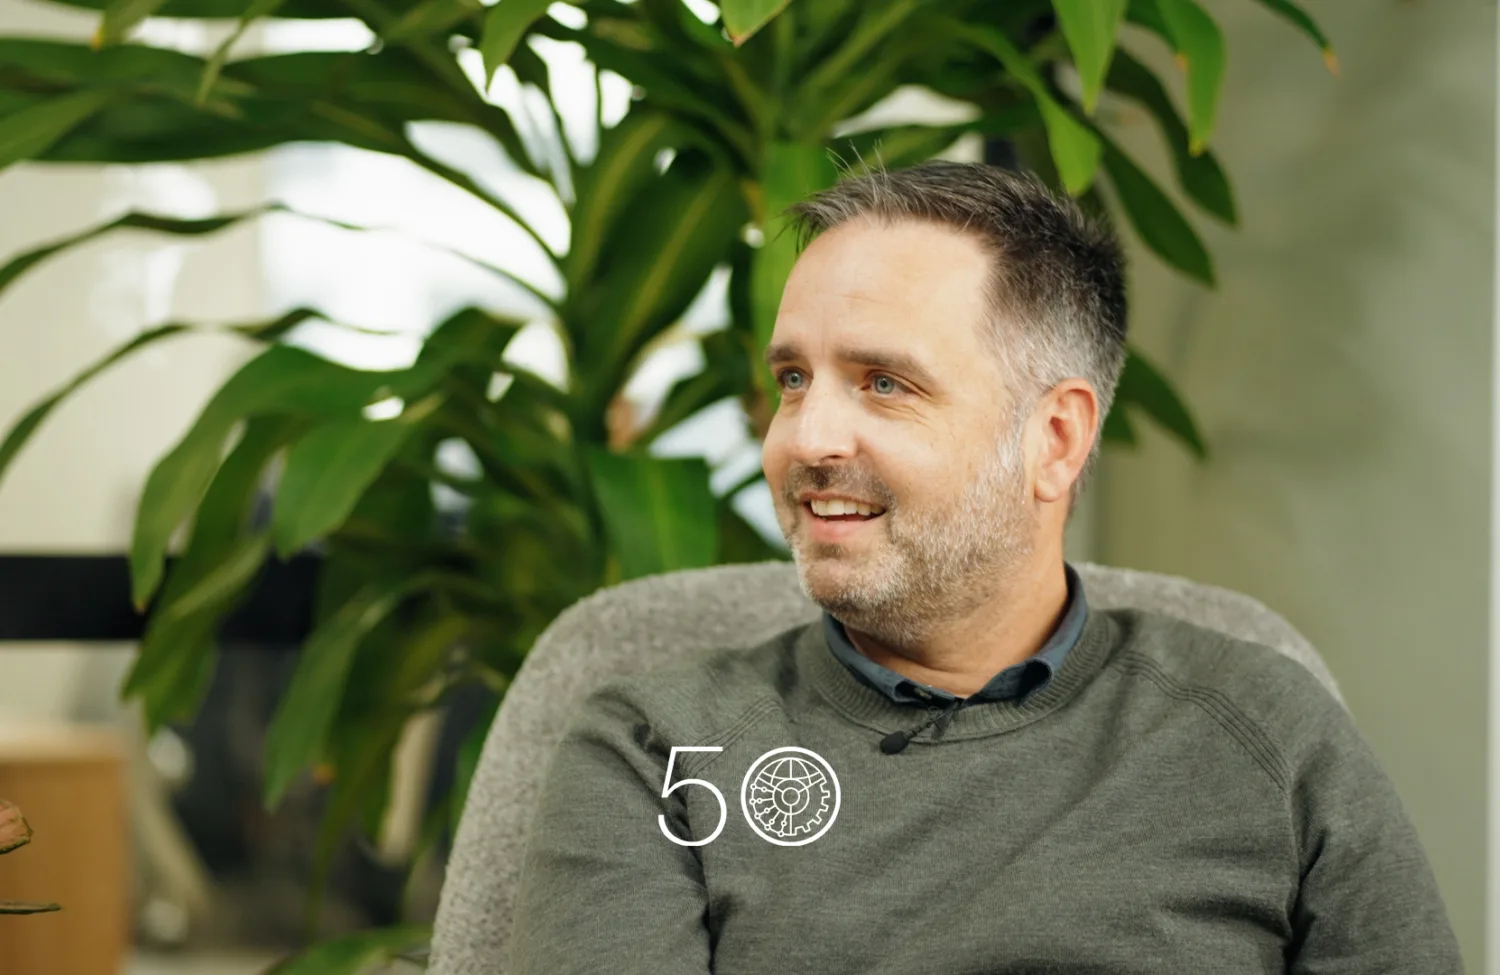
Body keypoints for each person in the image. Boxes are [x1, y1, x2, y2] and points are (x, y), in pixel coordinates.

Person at [505, 160, 1463, 973]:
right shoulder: (656, 751)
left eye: (885, 382)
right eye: (793, 379)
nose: (806, 436)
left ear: (1055, 438)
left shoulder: (1265, 729)